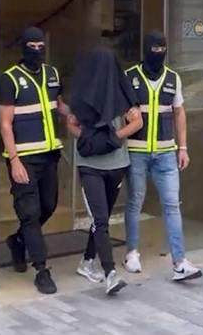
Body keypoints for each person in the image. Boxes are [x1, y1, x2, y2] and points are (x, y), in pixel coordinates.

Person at [123, 30, 202, 281]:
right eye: (154, 50)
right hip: (136, 151)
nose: (159, 54)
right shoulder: (129, 77)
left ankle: (179, 262)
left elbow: (179, 113)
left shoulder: (173, 79)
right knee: (135, 201)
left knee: (171, 205)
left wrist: (183, 147)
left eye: (162, 50)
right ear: (146, 50)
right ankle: (131, 253)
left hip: (166, 152)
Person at [65, 46, 143, 296]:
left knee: (102, 221)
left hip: (117, 165)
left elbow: (138, 123)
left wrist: (112, 137)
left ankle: (87, 262)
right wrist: (95, 140)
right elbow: (72, 126)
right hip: (91, 167)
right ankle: (110, 273)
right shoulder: (82, 97)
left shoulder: (124, 94)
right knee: (99, 220)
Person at [0, 27, 67, 294]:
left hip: (49, 155)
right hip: (23, 158)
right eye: (32, 46)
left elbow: (57, 105)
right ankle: (41, 269)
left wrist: (77, 115)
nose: (37, 51)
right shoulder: (9, 79)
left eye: (41, 46)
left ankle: (17, 241)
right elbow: (5, 123)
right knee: (30, 213)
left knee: (48, 206)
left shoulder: (52, 74)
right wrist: (14, 160)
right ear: (23, 48)